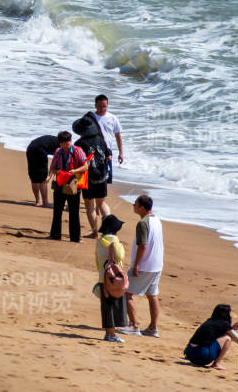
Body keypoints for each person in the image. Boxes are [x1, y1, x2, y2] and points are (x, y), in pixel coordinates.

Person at [83, 94, 124, 234]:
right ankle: (104, 229)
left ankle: (104, 228)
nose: (103, 108)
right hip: (92, 157)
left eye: (105, 106)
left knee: (98, 198)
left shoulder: (112, 118)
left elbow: (118, 136)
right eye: (100, 106)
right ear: (95, 105)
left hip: (106, 158)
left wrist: (121, 152)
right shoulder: (90, 118)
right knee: (97, 199)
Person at [126, 194, 163, 337]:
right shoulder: (157, 220)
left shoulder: (143, 223)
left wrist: (136, 265)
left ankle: (134, 325)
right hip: (157, 264)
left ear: (141, 207)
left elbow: (142, 246)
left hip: (145, 265)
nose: (133, 205)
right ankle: (153, 328)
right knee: (152, 295)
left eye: (135, 203)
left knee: (126, 292)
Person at [95, 214, 129, 342]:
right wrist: (118, 243)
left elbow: (97, 261)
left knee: (106, 306)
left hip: (103, 278)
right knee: (115, 306)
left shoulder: (99, 241)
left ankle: (110, 333)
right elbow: (119, 256)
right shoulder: (114, 241)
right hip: (115, 279)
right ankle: (111, 334)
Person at [47, 130, 86, 242]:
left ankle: (75, 238)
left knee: (74, 212)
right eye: (64, 142)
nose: (66, 144)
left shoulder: (78, 151)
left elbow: (85, 166)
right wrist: (55, 172)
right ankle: (55, 235)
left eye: (68, 141)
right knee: (57, 211)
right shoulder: (58, 151)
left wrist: (74, 171)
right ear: (60, 143)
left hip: (73, 185)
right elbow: (52, 166)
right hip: (60, 183)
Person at [184, 304, 238, 370]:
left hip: (189, 354)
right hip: (202, 357)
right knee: (228, 338)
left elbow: (216, 335)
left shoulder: (209, 321)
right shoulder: (224, 324)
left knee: (225, 336)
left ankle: (215, 362)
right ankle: (216, 364)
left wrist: (231, 329)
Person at [24, 134, 60, 206]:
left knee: (34, 177)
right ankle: (45, 202)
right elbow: (54, 163)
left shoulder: (55, 140)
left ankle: (38, 201)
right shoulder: (61, 148)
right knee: (43, 179)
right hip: (39, 150)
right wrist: (49, 176)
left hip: (30, 148)